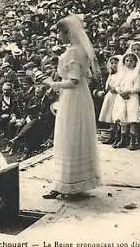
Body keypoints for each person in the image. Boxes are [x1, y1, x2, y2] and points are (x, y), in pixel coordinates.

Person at [41, 14, 100, 199]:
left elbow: (73, 81)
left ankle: (66, 184)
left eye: (60, 33)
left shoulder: (74, 52)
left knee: (68, 137)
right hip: (80, 97)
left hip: (73, 98)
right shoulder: (81, 50)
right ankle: (74, 182)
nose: (59, 36)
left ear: (68, 33)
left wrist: (52, 84)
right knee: (74, 137)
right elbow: (87, 77)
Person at [112, 52, 140, 150]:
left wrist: (129, 91)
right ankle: (122, 139)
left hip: (132, 97)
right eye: (127, 61)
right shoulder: (122, 73)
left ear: (135, 62)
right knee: (122, 118)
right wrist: (120, 92)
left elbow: (138, 87)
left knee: (132, 118)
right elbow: (117, 85)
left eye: (131, 61)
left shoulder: (136, 73)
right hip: (121, 97)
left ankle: (132, 141)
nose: (128, 63)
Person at [98, 55, 121, 145]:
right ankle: (112, 135)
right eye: (112, 63)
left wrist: (115, 89)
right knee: (110, 115)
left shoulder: (121, 74)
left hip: (117, 96)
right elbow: (108, 86)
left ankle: (117, 135)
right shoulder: (111, 74)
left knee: (116, 116)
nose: (113, 65)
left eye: (116, 63)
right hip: (110, 96)